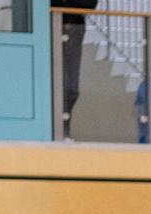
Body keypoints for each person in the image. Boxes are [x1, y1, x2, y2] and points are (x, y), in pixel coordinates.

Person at [51, 0, 99, 139]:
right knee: (56, 86)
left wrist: (65, 2)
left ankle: (63, 129)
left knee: (71, 89)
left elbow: (90, 4)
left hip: (74, 29)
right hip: (50, 27)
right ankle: (57, 131)